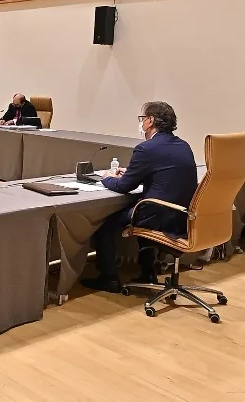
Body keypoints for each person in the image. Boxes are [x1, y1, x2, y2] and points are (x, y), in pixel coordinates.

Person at [81, 101, 198, 293]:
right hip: (181, 215)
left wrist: (106, 178)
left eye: (142, 118)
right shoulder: (184, 146)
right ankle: (147, 271)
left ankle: (109, 278)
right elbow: (163, 174)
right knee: (144, 211)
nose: (141, 122)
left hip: (157, 214)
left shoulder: (146, 148)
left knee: (104, 223)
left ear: (150, 120)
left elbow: (124, 186)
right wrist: (131, 172)